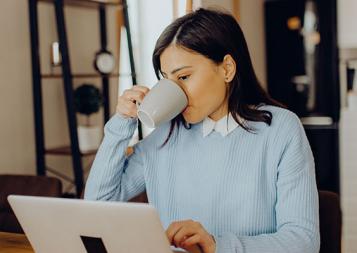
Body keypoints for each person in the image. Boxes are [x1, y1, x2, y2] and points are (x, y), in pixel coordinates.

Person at [84, 8, 320, 253]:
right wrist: (122, 122)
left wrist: (217, 246)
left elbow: (303, 241)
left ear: (227, 68)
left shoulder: (280, 130)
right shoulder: (166, 134)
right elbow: (97, 207)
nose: (176, 91)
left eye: (184, 77)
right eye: (167, 79)